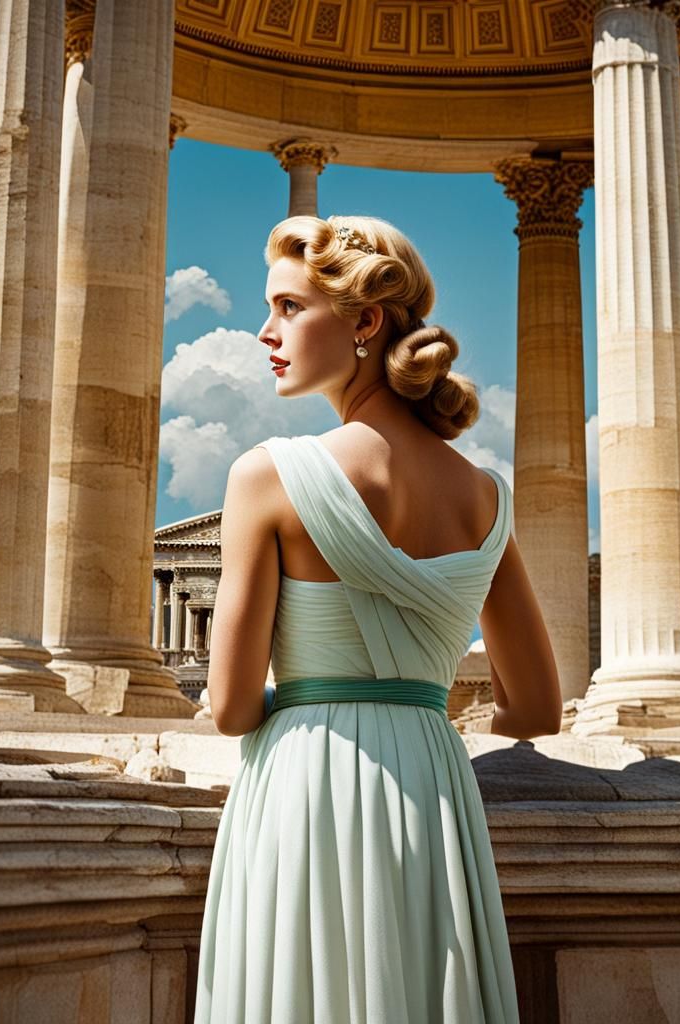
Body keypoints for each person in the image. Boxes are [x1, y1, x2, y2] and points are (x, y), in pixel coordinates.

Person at [193, 214, 562, 1023]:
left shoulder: (267, 477)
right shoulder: (485, 495)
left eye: (289, 308)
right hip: (434, 790)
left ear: (365, 321)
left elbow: (230, 709)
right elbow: (536, 710)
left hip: (304, 788)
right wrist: (420, 708)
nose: (265, 331)